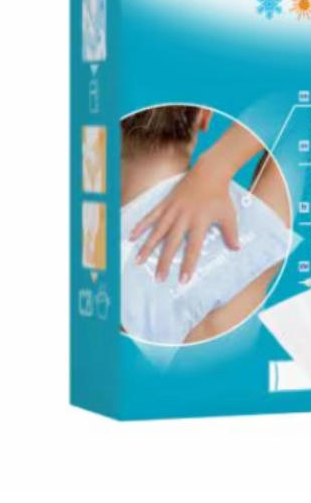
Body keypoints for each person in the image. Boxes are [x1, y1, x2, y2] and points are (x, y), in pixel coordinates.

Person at [121, 105, 290, 342]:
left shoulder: (86, 261)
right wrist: (215, 167)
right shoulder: (254, 231)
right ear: (205, 116)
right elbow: (296, 112)